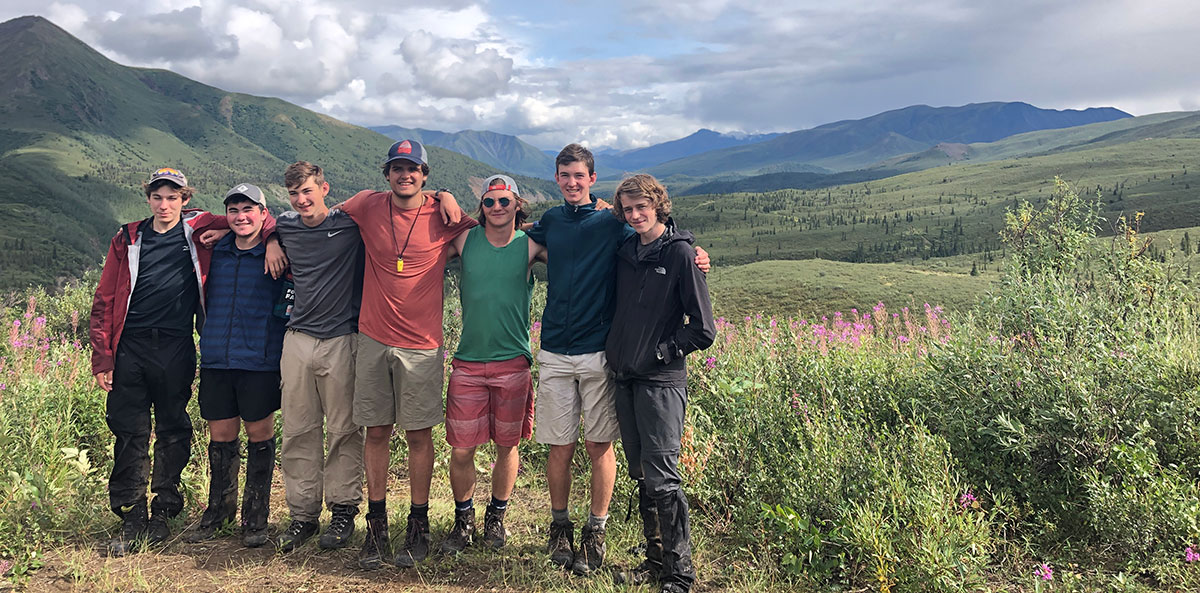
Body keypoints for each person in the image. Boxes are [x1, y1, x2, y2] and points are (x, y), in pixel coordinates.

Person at [524, 144, 709, 575]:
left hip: (613, 358)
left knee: (610, 449)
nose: (572, 182)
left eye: (579, 175)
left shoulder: (616, 225)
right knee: (578, 450)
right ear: (557, 178)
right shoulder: (555, 222)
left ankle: (611, 540)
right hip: (574, 354)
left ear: (592, 178)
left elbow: (662, 236)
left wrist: (694, 251)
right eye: (564, 175)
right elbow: (513, 228)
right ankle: (571, 533)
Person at [89, 168, 243, 556]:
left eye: (172, 197)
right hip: (131, 347)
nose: (165, 204)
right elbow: (105, 298)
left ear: (185, 200)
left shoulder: (197, 230)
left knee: (174, 426)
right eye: (158, 197)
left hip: (175, 345)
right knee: (129, 429)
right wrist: (102, 356)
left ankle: (164, 509)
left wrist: (229, 230)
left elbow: (257, 217)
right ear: (148, 199)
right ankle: (132, 513)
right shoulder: (128, 238)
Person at [336, 140, 473, 569]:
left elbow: (495, 229)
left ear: (425, 175)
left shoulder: (443, 212)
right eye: (397, 168)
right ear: (387, 174)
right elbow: (313, 214)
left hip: (422, 344)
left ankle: (418, 524)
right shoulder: (366, 204)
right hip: (373, 337)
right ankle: (375, 525)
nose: (405, 175)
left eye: (412, 169)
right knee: (375, 432)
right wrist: (269, 239)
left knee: (418, 436)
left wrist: (448, 196)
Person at [606, 174, 715, 593]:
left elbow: (703, 329)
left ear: (658, 206)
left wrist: (660, 353)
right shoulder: (627, 252)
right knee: (642, 475)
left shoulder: (683, 255)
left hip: (661, 383)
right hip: (626, 379)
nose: (635, 215)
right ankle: (655, 561)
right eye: (628, 209)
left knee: (665, 479)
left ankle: (679, 574)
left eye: (641, 208)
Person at [438, 175, 545, 554]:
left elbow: (583, 253)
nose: (497, 208)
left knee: (506, 444)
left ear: (518, 204)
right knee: (462, 448)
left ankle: (496, 518)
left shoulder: (531, 245)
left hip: (514, 362)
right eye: (489, 202)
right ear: (480, 207)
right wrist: (442, 192)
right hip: (468, 363)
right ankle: (463, 519)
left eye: (504, 201)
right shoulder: (465, 240)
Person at [184, 183, 286, 548]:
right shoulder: (215, 249)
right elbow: (193, 221)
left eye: (249, 210)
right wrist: (224, 229)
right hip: (215, 357)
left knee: (260, 437)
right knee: (221, 438)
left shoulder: (277, 251)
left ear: (263, 213)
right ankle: (218, 512)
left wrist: (272, 238)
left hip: (259, 359)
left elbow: (286, 224)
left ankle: (256, 516)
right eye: (234, 211)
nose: (241, 217)